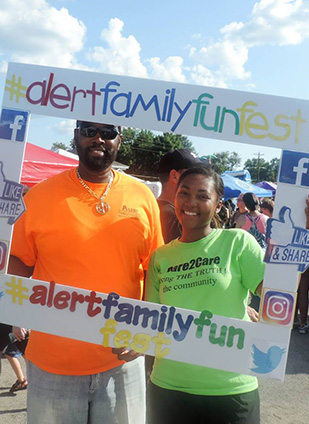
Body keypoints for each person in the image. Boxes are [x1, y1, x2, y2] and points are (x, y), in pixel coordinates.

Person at [8, 121, 163, 424]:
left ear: (120, 139)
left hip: (122, 363)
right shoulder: (40, 196)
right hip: (53, 363)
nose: (98, 138)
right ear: (75, 134)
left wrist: (147, 330)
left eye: (107, 132)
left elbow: (156, 271)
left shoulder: (142, 197)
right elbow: (18, 261)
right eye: (89, 130)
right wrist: (15, 306)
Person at [146, 165, 265, 424]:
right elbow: (149, 323)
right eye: (184, 193)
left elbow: (278, 299)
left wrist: (299, 239)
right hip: (168, 389)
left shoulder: (238, 243)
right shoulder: (160, 256)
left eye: (202, 196)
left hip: (231, 391)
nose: (191, 203)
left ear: (218, 204)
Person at [157, 149, 201, 243]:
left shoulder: (152, 209)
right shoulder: (175, 219)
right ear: (174, 176)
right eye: (194, 174)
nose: (200, 179)